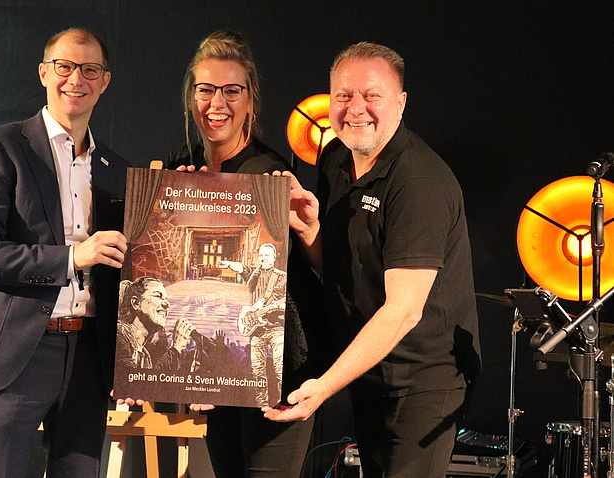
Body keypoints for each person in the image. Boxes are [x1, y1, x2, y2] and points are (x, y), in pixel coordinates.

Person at [267, 42, 481, 478]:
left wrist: (324, 386)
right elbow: (342, 272)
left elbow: (403, 310)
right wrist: (309, 231)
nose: (356, 108)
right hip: (368, 372)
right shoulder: (335, 158)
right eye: (344, 96)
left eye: (372, 95)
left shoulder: (419, 181)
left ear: (400, 103)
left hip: (423, 380)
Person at [0, 28, 129, 478]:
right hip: (16, 351)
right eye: (65, 66)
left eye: (90, 69)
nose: (76, 79)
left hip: (90, 354)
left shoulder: (118, 168)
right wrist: (71, 259)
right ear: (44, 73)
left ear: (104, 82)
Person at [164, 30, 322, 478]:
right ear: (190, 98)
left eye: (232, 91)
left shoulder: (268, 173)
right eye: (206, 90)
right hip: (216, 365)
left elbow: (261, 280)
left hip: (278, 368)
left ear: (250, 100)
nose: (218, 102)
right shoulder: (180, 163)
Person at [219, 243, 286, 406]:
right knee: (257, 370)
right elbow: (241, 268)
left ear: (275, 257)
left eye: (267, 255)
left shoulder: (282, 277)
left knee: (279, 369)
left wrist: (281, 306)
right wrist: (229, 264)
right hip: (256, 330)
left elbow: (287, 301)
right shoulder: (255, 273)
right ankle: (261, 403)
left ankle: (278, 402)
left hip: (276, 329)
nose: (263, 258)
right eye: (261, 255)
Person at [115, 276, 196, 371]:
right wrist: (176, 348)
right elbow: (133, 383)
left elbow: (149, 383)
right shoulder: (118, 336)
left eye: (166, 299)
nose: (167, 304)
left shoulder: (144, 355)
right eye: (158, 296)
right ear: (136, 303)